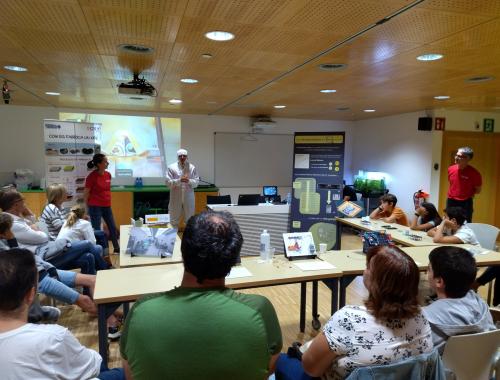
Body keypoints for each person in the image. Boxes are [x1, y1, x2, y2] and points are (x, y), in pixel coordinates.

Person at [120, 211, 282, 379]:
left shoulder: (142, 310)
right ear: (234, 260)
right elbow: (267, 369)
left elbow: (129, 373)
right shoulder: (260, 310)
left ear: (182, 252)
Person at [279, 246, 432, 380]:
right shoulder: (422, 316)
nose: (364, 271)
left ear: (378, 284)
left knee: (281, 360)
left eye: (368, 268)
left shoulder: (350, 320)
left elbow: (311, 369)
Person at [0, 250, 125, 380]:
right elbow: (93, 366)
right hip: (88, 363)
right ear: (31, 294)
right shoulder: (53, 337)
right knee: (122, 373)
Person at [0, 189, 109, 275]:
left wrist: (31, 219)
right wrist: (36, 228)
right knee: (88, 244)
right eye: (24, 203)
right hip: (41, 258)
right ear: (16, 205)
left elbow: (39, 227)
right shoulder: (14, 224)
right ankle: (105, 274)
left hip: (46, 250)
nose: (25, 205)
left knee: (88, 257)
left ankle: (91, 293)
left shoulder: (17, 219)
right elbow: (43, 237)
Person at [423, 246, 495, 353]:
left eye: (429, 269)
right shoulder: (480, 304)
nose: (426, 272)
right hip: (483, 367)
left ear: (439, 281)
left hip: (442, 369)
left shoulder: (425, 319)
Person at [85, 153, 120, 253]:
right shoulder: (91, 177)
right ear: (99, 164)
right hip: (95, 207)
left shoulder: (108, 174)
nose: (107, 163)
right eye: (105, 161)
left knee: (112, 227)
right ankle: (101, 251)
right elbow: (86, 193)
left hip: (107, 206)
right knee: (97, 230)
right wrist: (87, 208)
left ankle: (116, 248)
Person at [165, 148, 199, 228]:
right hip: (175, 197)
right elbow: (168, 183)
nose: (182, 157)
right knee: (173, 220)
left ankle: (188, 240)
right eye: (180, 156)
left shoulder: (192, 167)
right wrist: (179, 180)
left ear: (187, 157)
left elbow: (196, 183)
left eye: (184, 156)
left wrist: (189, 181)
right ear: (178, 157)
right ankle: (173, 239)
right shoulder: (171, 167)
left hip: (189, 197)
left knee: (190, 221)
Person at [447, 146, 481, 222]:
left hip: (465, 202)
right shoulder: (450, 169)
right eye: (456, 155)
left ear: (468, 159)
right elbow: (452, 183)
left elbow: (478, 190)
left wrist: (465, 194)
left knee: (466, 223)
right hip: (451, 200)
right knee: (450, 221)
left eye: (460, 156)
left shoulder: (474, 173)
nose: (456, 157)